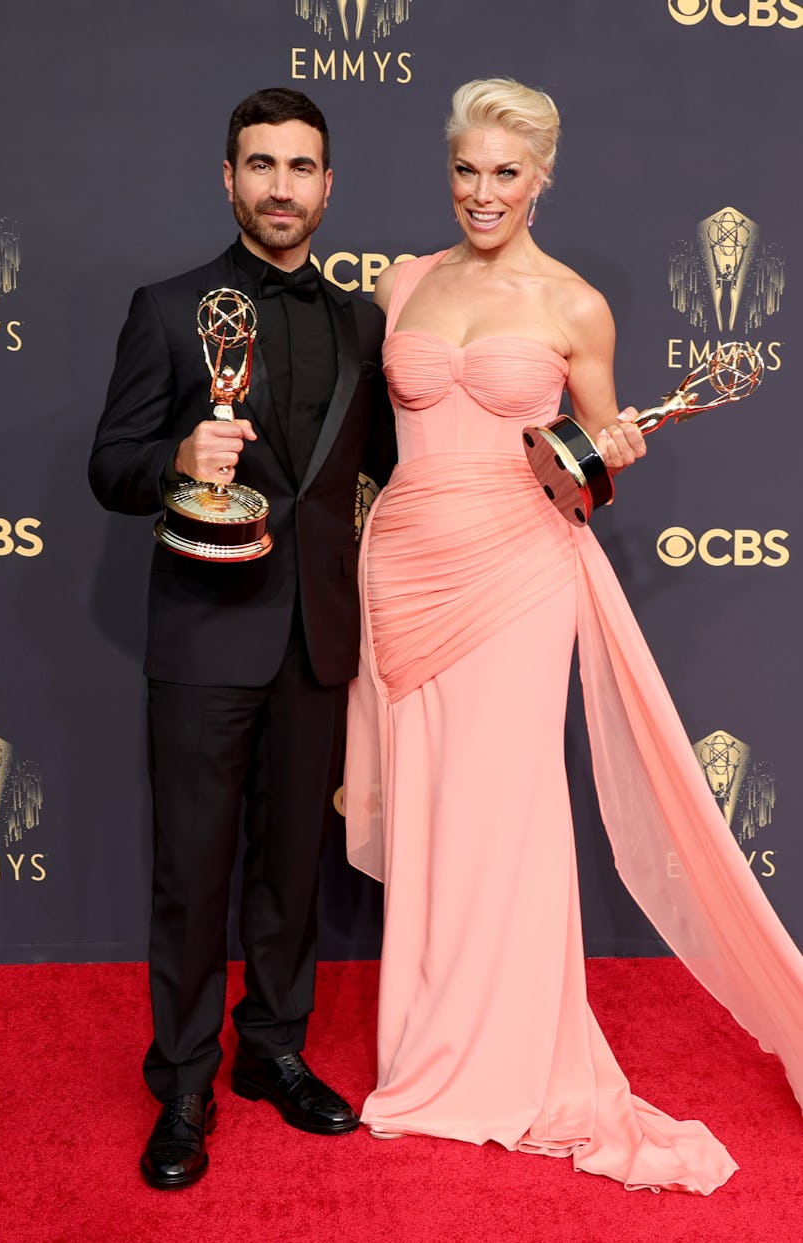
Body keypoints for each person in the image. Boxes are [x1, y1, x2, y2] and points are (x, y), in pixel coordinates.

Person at [344, 78, 803, 1193]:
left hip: (519, 572)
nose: (483, 192)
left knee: (508, 814)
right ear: (446, 169)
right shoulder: (406, 283)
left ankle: (503, 1059)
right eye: (467, 169)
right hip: (403, 568)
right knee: (431, 817)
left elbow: (592, 467)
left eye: (507, 173)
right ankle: (425, 1051)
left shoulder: (575, 305)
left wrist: (608, 461)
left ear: (542, 178)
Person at [89, 86, 394, 1190]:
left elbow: (392, 474)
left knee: (290, 867)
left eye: (300, 166)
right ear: (229, 179)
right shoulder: (170, 310)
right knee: (193, 871)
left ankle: (273, 1048)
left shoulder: (362, 322)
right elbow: (108, 466)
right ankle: (181, 1078)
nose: (280, 185)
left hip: (317, 640)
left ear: (328, 184)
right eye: (259, 164)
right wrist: (178, 456)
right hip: (205, 640)